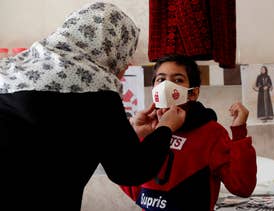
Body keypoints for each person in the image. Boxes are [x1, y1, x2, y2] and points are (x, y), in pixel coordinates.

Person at [0, 3, 186, 211]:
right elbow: (129, 170)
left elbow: (58, 141)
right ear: (114, 49)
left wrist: (132, 133)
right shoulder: (96, 88)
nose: (124, 66)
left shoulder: (10, 69)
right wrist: (165, 128)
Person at [120, 54, 257, 211]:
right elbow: (131, 183)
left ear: (193, 93)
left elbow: (243, 187)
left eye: (178, 80)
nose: (167, 86)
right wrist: (134, 136)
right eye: (161, 79)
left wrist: (239, 133)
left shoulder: (212, 133)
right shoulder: (148, 129)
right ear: (154, 88)